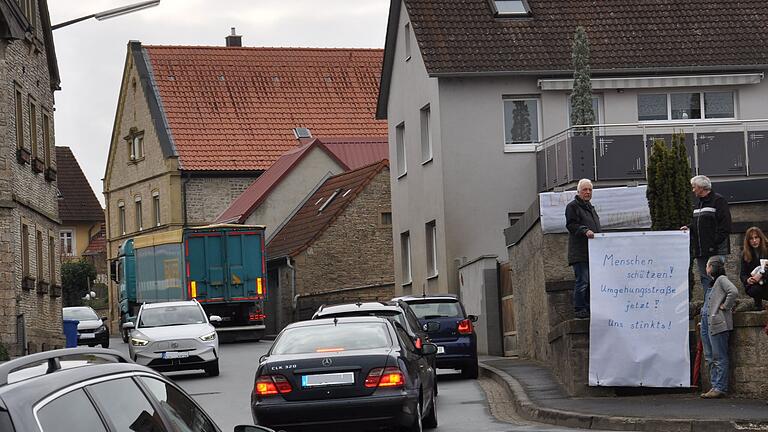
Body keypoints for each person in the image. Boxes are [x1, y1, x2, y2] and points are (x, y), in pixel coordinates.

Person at [681, 175, 732, 298]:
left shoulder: (718, 201)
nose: (693, 190)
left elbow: (725, 225)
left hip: (715, 249)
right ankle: (708, 306)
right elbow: (698, 224)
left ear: (701, 187)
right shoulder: (698, 204)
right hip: (701, 249)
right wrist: (689, 227)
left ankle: (720, 307)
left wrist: (714, 242)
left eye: (694, 187)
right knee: (705, 279)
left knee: (716, 278)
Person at [699, 256, 738, 399]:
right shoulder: (711, 283)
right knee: (709, 356)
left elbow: (733, 291)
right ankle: (714, 385)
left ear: (712, 267)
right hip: (706, 323)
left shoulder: (721, 279)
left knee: (718, 356)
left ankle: (720, 387)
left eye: (708, 265)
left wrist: (725, 306)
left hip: (717, 323)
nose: (706, 268)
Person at [566, 178, 601, 319]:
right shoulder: (572, 206)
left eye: (590, 190)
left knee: (590, 283)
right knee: (583, 281)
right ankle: (580, 309)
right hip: (580, 253)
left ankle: (588, 308)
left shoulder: (590, 208)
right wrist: (584, 230)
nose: (588, 192)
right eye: (585, 189)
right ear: (578, 191)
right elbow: (571, 225)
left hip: (592, 253)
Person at [740, 226, 768, 311]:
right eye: (751, 239)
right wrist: (748, 280)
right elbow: (742, 274)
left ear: (760, 238)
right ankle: (757, 303)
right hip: (755, 284)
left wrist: (761, 274)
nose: (754, 241)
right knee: (754, 289)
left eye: (756, 237)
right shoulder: (745, 254)